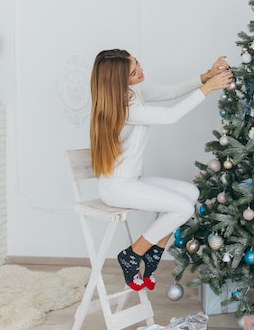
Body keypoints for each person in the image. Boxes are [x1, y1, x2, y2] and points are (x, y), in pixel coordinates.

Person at [89, 49, 233, 291]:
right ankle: (133, 254)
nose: (141, 71)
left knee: (190, 192)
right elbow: (170, 115)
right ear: (118, 80)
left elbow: (172, 91)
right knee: (183, 208)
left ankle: (152, 251)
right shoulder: (124, 106)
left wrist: (206, 76)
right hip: (117, 186)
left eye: (138, 64)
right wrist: (208, 88)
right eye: (134, 72)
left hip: (131, 180)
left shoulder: (132, 92)